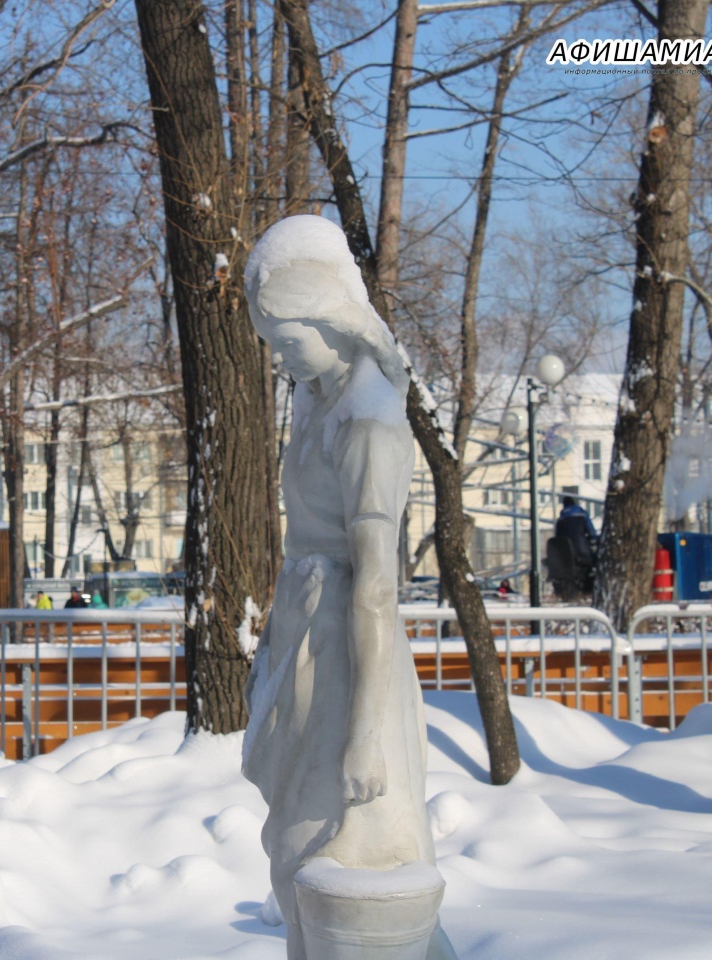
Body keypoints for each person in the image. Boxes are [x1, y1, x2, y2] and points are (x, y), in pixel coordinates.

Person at [241, 215, 453, 959]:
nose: (283, 357)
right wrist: (269, 656)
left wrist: (365, 733)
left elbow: (376, 589)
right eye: (272, 341)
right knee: (296, 856)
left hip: (346, 656)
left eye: (290, 337)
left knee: (332, 860)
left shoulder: (368, 425)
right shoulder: (317, 401)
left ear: (334, 317)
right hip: (307, 639)